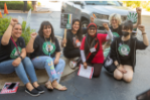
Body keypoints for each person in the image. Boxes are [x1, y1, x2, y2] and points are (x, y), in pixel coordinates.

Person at [0, 18, 44, 96]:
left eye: (20, 29)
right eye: (16, 29)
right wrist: (11, 24)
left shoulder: (21, 39)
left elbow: (24, 52)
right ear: (11, 30)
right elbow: (4, 42)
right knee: (18, 63)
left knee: (26, 59)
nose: (18, 31)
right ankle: (28, 86)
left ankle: (35, 82)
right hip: (3, 65)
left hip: (15, 63)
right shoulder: (6, 38)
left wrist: (19, 58)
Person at [26, 21, 67, 91]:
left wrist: (57, 58)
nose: (48, 30)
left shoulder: (54, 38)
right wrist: (32, 39)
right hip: (37, 60)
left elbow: (58, 51)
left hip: (49, 60)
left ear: (51, 28)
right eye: (45, 28)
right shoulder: (38, 38)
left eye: (49, 27)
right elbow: (29, 51)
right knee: (48, 59)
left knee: (62, 62)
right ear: (42, 30)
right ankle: (55, 82)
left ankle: (50, 82)